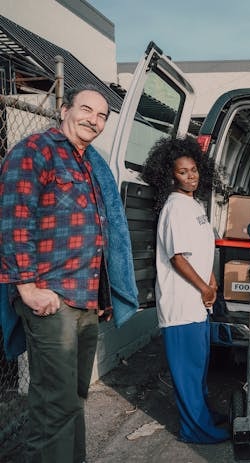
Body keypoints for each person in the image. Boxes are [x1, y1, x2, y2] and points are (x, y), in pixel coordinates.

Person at [0, 85, 139, 462]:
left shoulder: (90, 162)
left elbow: (102, 231)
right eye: (86, 110)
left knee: (74, 398)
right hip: (51, 298)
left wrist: (104, 295)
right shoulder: (34, 151)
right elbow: (14, 219)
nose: (94, 120)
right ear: (64, 110)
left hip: (85, 299)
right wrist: (27, 288)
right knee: (55, 406)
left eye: (102, 116)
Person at [141, 136, 229, 444]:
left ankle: (202, 415)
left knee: (199, 367)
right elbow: (178, 257)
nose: (191, 176)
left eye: (194, 169)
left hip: (198, 302)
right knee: (188, 373)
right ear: (170, 175)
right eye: (182, 171)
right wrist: (205, 286)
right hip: (182, 304)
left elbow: (201, 249)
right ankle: (196, 430)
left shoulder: (193, 204)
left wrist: (212, 279)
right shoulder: (175, 208)